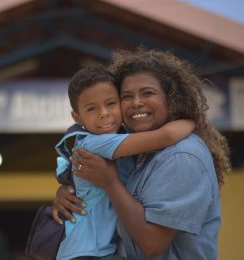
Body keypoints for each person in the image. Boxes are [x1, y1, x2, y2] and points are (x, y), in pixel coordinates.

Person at [53, 48, 231, 260]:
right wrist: (70, 191)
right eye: (126, 96)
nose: (136, 102)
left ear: (172, 100)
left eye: (147, 93)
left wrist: (109, 182)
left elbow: (152, 243)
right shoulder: (137, 152)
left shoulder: (181, 155)